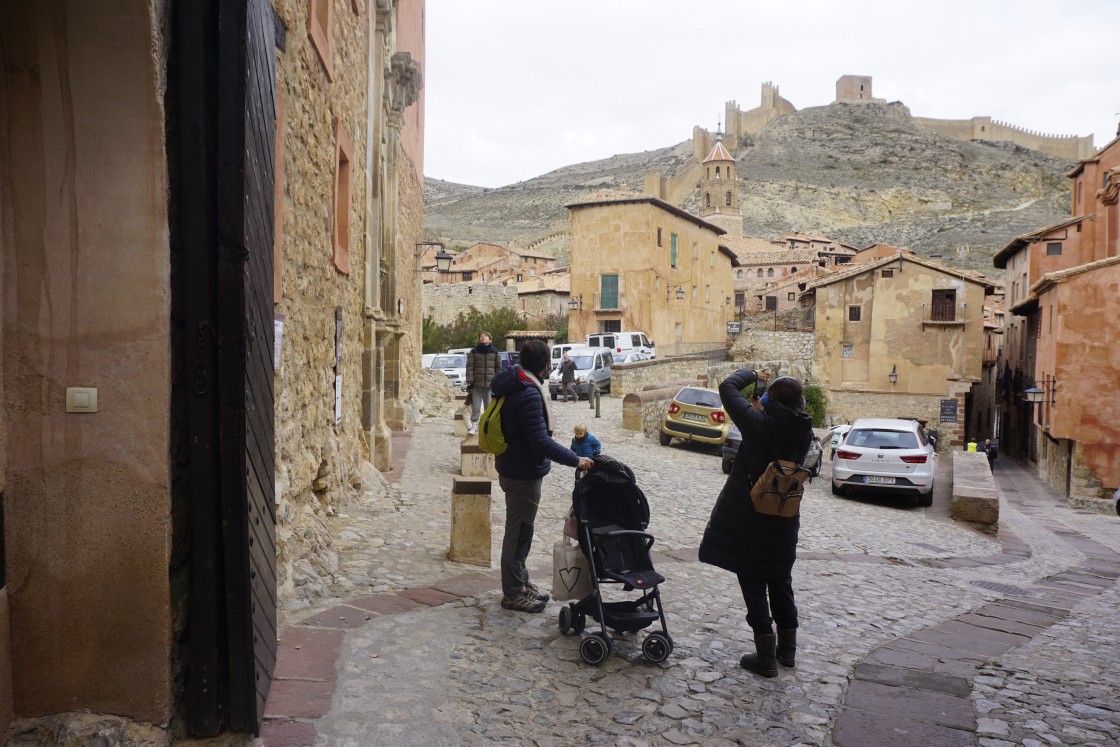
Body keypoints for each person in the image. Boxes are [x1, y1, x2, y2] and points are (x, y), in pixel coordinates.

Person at [698, 368, 814, 678]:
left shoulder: (756, 423)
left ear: (768, 399)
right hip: (785, 517)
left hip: (751, 518)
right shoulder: (804, 428)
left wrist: (753, 374)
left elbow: (727, 386)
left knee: (752, 580)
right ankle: (787, 652)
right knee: (780, 579)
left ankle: (765, 657)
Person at [491, 340, 594, 612]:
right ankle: (512, 592)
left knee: (523, 531)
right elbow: (539, 441)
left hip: (514, 467)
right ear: (545, 365)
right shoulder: (526, 392)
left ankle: (520, 582)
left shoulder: (519, 384)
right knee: (517, 533)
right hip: (522, 472)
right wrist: (576, 459)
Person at [465, 332, 502, 435]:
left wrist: (496, 381)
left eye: (485, 336)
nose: (482, 337)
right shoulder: (474, 352)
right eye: (481, 336)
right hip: (477, 384)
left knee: (489, 407)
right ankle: (474, 427)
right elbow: (470, 367)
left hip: (490, 385)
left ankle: (488, 427)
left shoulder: (495, 352)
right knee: (476, 407)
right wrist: (470, 381)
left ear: (490, 339)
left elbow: (499, 368)